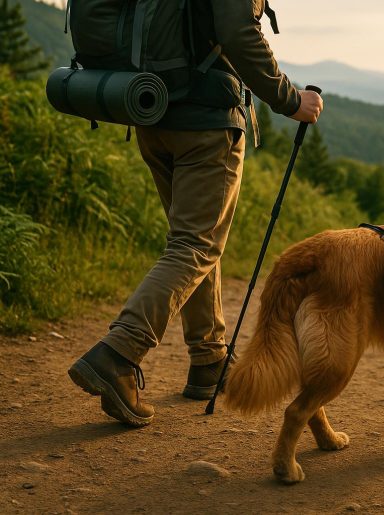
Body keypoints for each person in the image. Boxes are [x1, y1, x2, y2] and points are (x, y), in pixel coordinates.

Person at [67, 0, 323, 427]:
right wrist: (290, 99)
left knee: (193, 241)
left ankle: (209, 359)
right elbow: (238, 32)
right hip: (204, 119)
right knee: (196, 244)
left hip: (151, 107)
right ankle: (118, 354)